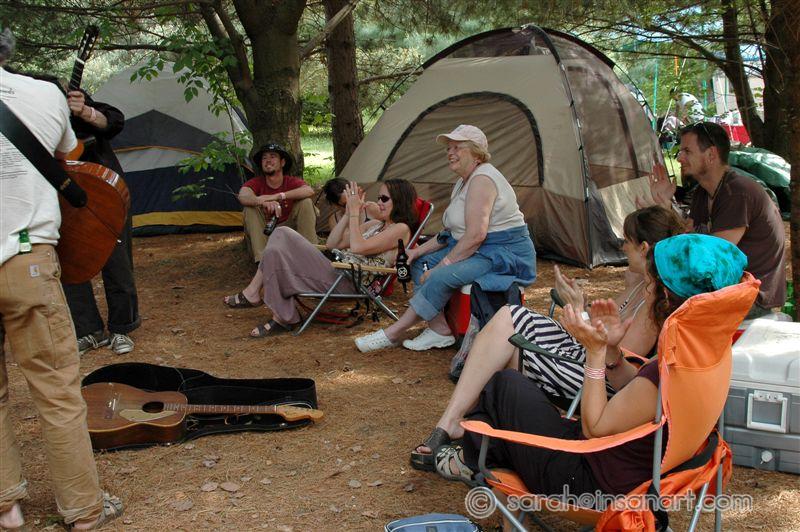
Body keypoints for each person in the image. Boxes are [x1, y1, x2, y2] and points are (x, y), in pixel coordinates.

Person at [433, 234, 747, 499]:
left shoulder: (667, 373)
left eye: (651, 284)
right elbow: (638, 393)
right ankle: (479, 457)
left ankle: (475, 459)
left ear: (665, 296)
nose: (646, 290)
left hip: (591, 482)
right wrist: (612, 350)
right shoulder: (704, 354)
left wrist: (594, 353)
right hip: (633, 467)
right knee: (512, 391)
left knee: (503, 386)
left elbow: (593, 428)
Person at [409, 206, 685, 470]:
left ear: (644, 248)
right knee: (510, 317)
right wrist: (580, 306)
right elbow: (605, 326)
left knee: (511, 345)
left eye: (627, 241)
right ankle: (460, 425)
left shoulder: (654, 301)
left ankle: (465, 430)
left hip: (599, 377)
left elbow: (618, 358)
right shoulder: (641, 285)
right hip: (588, 354)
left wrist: (579, 314)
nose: (622, 247)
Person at [0, 28, 123, 530]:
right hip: (27, 259)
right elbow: (70, 156)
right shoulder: (42, 93)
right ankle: (83, 509)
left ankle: (7, 506)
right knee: (56, 390)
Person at [354, 125, 536, 353]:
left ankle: (392, 333)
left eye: (457, 147)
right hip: (477, 248)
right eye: (449, 148)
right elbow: (450, 232)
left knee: (439, 274)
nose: (450, 152)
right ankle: (439, 329)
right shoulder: (463, 182)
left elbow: (476, 235)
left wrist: (443, 265)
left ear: (476, 153)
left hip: (503, 253)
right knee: (420, 263)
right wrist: (417, 251)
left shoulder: (483, 179)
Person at [223, 179, 417, 336]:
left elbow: (358, 247)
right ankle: (281, 316)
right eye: (379, 197)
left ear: (399, 201)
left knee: (282, 233)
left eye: (384, 198)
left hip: (349, 280)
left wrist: (355, 213)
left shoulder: (400, 229)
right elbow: (332, 244)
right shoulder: (376, 225)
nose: (379, 202)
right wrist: (349, 213)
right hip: (335, 272)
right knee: (275, 249)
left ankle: (263, 300)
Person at [646, 121, 786, 317]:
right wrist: (665, 205)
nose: (679, 158)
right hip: (728, 290)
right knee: (651, 290)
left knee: (660, 300)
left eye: (687, 151)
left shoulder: (737, 193)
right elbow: (686, 238)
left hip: (751, 298)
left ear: (711, 154)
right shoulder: (703, 193)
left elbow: (710, 259)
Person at [60, 87, 140, 355]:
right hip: (65, 195)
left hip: (106, 193)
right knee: (71, 263)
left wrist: (84, 111)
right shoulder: (34, 110)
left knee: (117, 262)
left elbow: (114, 121)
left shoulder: (72, 96)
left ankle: (122, 327)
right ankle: (89, 330)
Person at [240, 142, 317, 262]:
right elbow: (243, 196)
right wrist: (262, 202)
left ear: (282, 162)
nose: (268, 160)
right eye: (264, 158)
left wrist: (277, 196)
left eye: (273, 156)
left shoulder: (290, 181)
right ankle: (264, 262)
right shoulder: (256, 182)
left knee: (306, 202)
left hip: (290, 230)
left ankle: (311, 256)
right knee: (249, 209)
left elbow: (309, 191)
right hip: (265, 232)